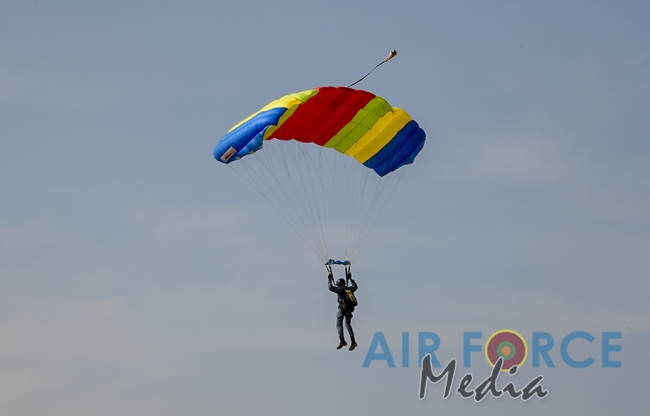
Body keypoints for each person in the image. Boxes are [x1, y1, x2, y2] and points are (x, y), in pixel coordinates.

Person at [327, 265, 358, 351]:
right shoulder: (350, 289)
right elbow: (355, 286)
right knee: (348, 325)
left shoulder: (340, 290)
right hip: (349, 310)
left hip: (342, 309)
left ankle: (342, 340)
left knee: (338, 323)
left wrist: (329, 279)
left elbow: (330, 287)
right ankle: (353, 341)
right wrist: (351, 279)